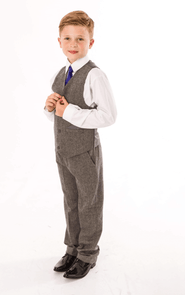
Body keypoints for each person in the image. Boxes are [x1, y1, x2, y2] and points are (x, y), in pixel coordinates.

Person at [44, 10, 117, 279]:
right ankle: (72, 248)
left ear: (91, 43)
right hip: (63, 150)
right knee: (71, 201)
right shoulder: (61, 73)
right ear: (59, 41)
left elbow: (108, 116)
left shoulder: (95, 76)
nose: (73, 44)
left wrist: (69, 112)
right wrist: (50, 107)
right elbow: (58, 110)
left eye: (80, 39)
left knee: (89, 203)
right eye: (68, 38)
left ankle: (88, 253)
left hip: (84, 152)